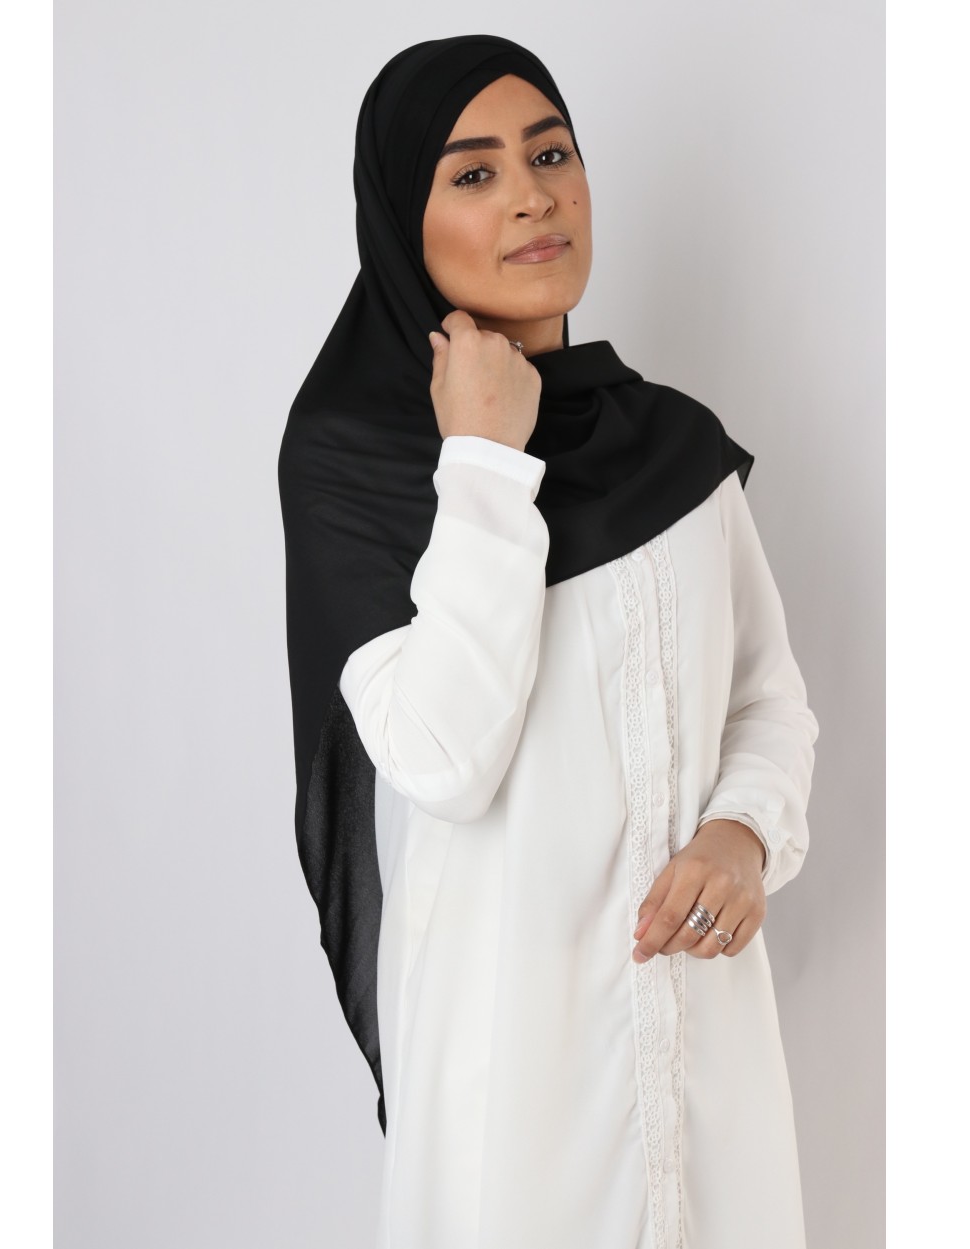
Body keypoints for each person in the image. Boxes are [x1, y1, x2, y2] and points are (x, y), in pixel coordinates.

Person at [277, 33, 819, 1249]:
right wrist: (480, 460)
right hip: (510, 1085)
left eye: (552, 154)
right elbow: (443, 756)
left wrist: (743, 831)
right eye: (472, 173)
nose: (531, 195)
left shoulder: (674, 447)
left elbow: (765, 696)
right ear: (400, 219)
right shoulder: (355, 462)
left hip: (709, 1049)